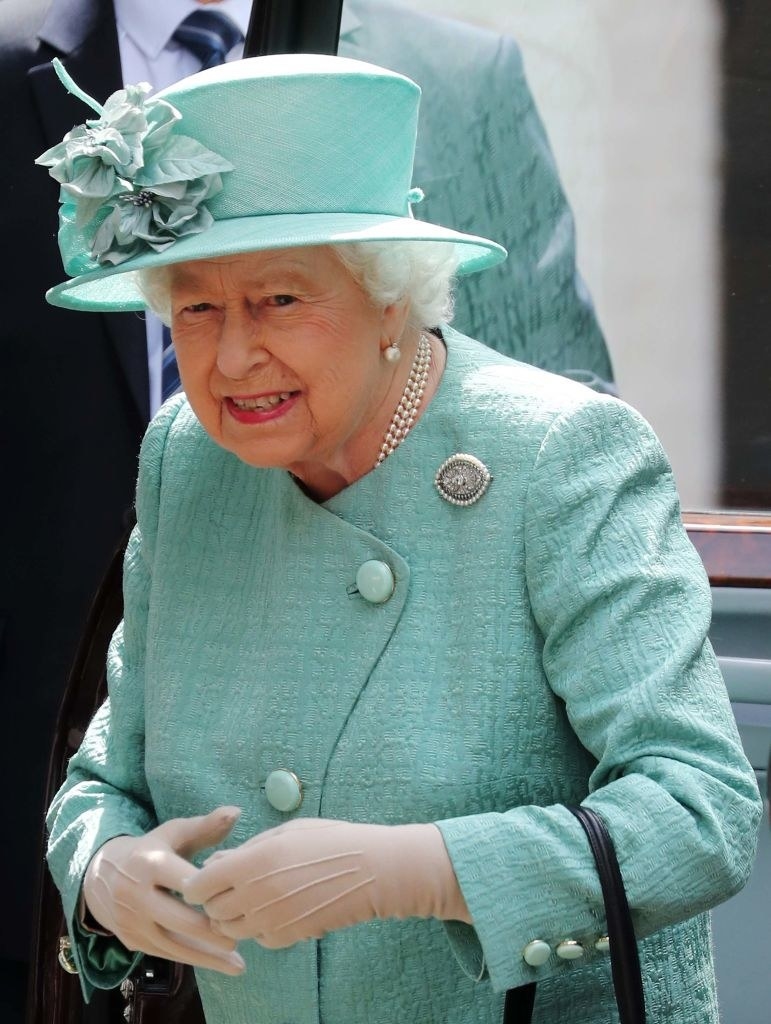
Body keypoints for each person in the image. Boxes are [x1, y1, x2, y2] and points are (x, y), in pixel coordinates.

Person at [42, 54, 760, 1024]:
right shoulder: (188, 459)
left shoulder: (560, 456)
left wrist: (419, 870)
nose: (232, 354)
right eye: (197, 307)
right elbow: (103, 778)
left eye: (279, 299)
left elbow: (701, 814)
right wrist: (106, 867)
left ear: (392, 296)